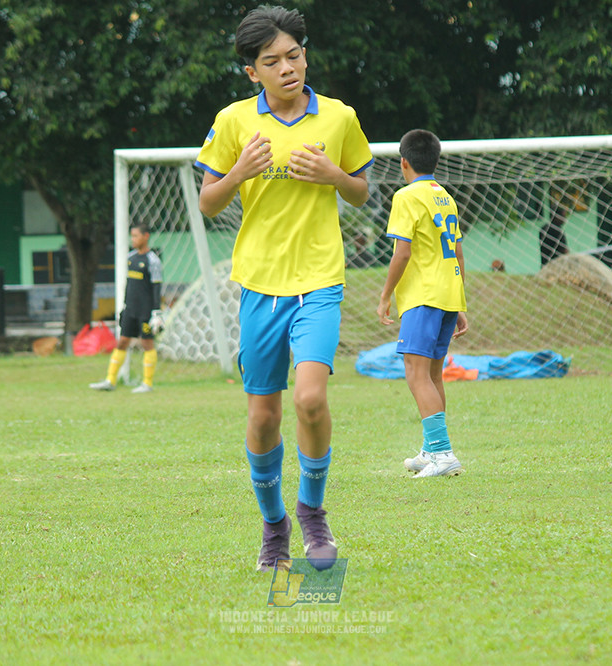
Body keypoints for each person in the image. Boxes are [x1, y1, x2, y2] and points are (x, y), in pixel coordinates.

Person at [195, 5, 373, 572]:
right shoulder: (232, 123)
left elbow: (362, 191)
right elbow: (207, 202)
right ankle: (274, 527)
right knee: (264, 416)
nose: (286, 67)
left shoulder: (339, 117)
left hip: (320, 280)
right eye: (270, 61)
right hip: (258, 286)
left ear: (304, 54)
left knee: (311, 399)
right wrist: (238, 173)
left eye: (293, 55)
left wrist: (334, 177)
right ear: (253, 72)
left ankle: (312, 514)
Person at [377, 129, 468, 478]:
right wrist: (461, 303)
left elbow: (402, 253)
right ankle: (432, 451)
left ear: (404, 162)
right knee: (432, 374)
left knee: (416, 375)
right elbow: (457, 251)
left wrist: (385, 295)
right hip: (447, 294)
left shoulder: (406, 196)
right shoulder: (444, 196)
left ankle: (444, 454)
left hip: (423, 297)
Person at [89, 222, 164, 393]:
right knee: (122, 341)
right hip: (130, 309)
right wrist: (124, 306)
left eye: (136, 236)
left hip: (145, 310)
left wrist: (156, 312)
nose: (133, 239)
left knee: (147, 343)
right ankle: (110, 380)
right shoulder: (131, 258)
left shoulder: (153, 261)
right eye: (132, 236)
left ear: (146, 237)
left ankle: (147, 383)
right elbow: (129, 285)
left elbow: (156, 287)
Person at [539, 199, 570, 268]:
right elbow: (564, 251)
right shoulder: (558, 231)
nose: (564, 219)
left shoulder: (543, 229)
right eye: (563, 216)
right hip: (557, 267)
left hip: (545, 266)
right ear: (556, 216)